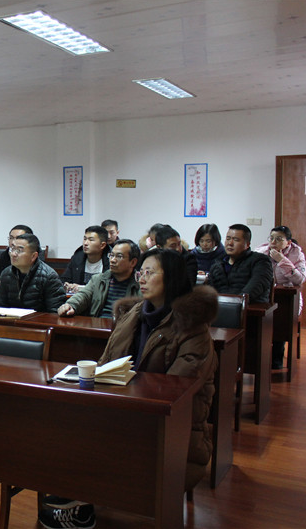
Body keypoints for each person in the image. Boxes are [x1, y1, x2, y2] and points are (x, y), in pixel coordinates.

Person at [40, 250, 220, 529]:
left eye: (150, 272)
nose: (142, 279)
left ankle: (81, 504)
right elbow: (104, 364)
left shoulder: (193, 328)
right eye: (141, 273)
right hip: (124, 414)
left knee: (88, 440)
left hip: (172, 432)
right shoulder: (132, 315)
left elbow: (175, 392)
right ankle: (77, 497)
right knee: (62, 422)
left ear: (171, 278)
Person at [255, 225, 306, 369]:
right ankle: (259, 355)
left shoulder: (297, 254)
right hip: (265, 296)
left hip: (288, 299)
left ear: (288, 242)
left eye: (278, 239)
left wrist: (282, 260)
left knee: (280, 319)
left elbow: (300, 279)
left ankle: (277, 357)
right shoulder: (261, 252)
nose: (273, 242)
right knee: (260, 318)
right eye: (271, 238)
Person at [58, 239, 140, 318]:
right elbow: (83, 296)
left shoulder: (140, 284)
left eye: (119, 256)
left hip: (124, 325)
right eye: (111, 255)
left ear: (133, 262)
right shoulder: (98, 279)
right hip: (98, 323)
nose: (112, 260)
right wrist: (70, 305)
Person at [0, 234, 66, 313]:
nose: (13, 254)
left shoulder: (49, 276)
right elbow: (1, 307)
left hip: (38, 320)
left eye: (19, 250)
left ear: (33, 256)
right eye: (12, 249)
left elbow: (55, 312)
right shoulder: (6, 274)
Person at [206, 224, 273, 303]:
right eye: (228, 239)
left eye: (236, 240)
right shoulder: (218, 263)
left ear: (247, 244)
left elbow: (255, 287)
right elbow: (210, 290)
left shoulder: (260, 261)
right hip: (220, 306)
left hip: (250, 306)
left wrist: (235, 302)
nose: (230, 243)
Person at [60, 226, 110, 293]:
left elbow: (108, 287)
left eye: (91, 240)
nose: (85, 243)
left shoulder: (111, 261)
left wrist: (81, 288)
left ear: (102, 245)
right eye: (85, 239)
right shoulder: (77, 258)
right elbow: (64, 280)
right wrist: (67, 285)